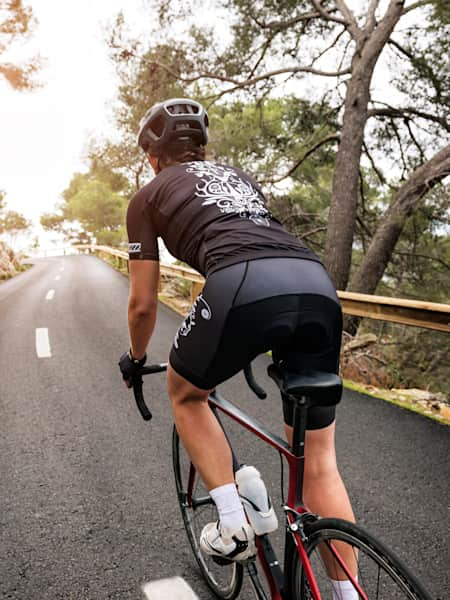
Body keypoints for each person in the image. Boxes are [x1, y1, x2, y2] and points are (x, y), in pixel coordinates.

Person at [119, 98, 355, 579]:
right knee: (320, 462)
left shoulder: (147, 196)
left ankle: (234, 524)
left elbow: (144, 303)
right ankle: (349, 594)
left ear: (152, 157)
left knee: (186, 393)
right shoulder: (241, 178)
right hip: (315, 284)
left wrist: (135, 357)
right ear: (203, 149)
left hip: (242, 286)